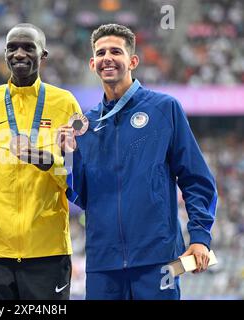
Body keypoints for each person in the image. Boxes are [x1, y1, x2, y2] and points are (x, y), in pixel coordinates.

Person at [57, 24, 217, 300]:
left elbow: (196, 178)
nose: (108, 57)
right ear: (92, 63)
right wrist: (68, 157)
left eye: (116, 51)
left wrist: (200, 236)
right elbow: (83, 196)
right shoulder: (86, 124)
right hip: (102, 262)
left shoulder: (164, 108)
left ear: (132, 61)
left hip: (157, 260)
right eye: (101, 52)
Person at [0, 23, 82, 300]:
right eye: (12, 48)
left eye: (28, 47)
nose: (19, 54)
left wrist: (48, 162)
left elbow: (76, 179)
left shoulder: (65, 103)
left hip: (48, 253)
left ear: (43, 55)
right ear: (4, 54)